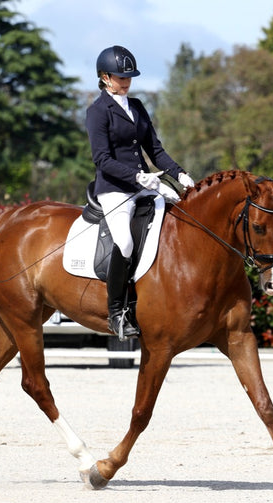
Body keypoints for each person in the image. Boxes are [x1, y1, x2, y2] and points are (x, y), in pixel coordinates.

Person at [86, 45, 194, 341]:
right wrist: (137, 176)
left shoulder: (137, 107)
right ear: (105, 77)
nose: (126, 82)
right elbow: (102, 160)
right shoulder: (97, 112)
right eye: (120, 77)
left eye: (129, 77)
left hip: (146, 185)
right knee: (125, 241)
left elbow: (155, 150)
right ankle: (117, 312)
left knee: (180, 220)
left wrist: (180, 175)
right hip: (115, 190)